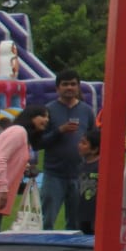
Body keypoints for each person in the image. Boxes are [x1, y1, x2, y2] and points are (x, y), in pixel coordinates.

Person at [0, 105, 49, 234]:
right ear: (31, 117)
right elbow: (0, 159)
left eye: (48, 117)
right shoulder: (18, 132)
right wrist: (2, 189)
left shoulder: (21, 134)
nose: (47, 119)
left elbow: (8, 158)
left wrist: (24, 168)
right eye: (42, 116)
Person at [40, 69, 99, 230]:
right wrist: (59, 131)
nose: (69, 88)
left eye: (73, 84)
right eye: (65, 84)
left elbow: (95, 139)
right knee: (47, 220)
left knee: (77, 222)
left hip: (80, 174)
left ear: (79, 87)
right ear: (57, 88)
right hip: (54, 173)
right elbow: (40, 142)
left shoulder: (86, 111)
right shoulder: (48, 110)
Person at [77, 128, 101, 235]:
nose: (79, 145)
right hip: (83, 213)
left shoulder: (102, 166)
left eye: (84, 143)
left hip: (96, 215)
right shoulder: (82, 166)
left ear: (94, 149)